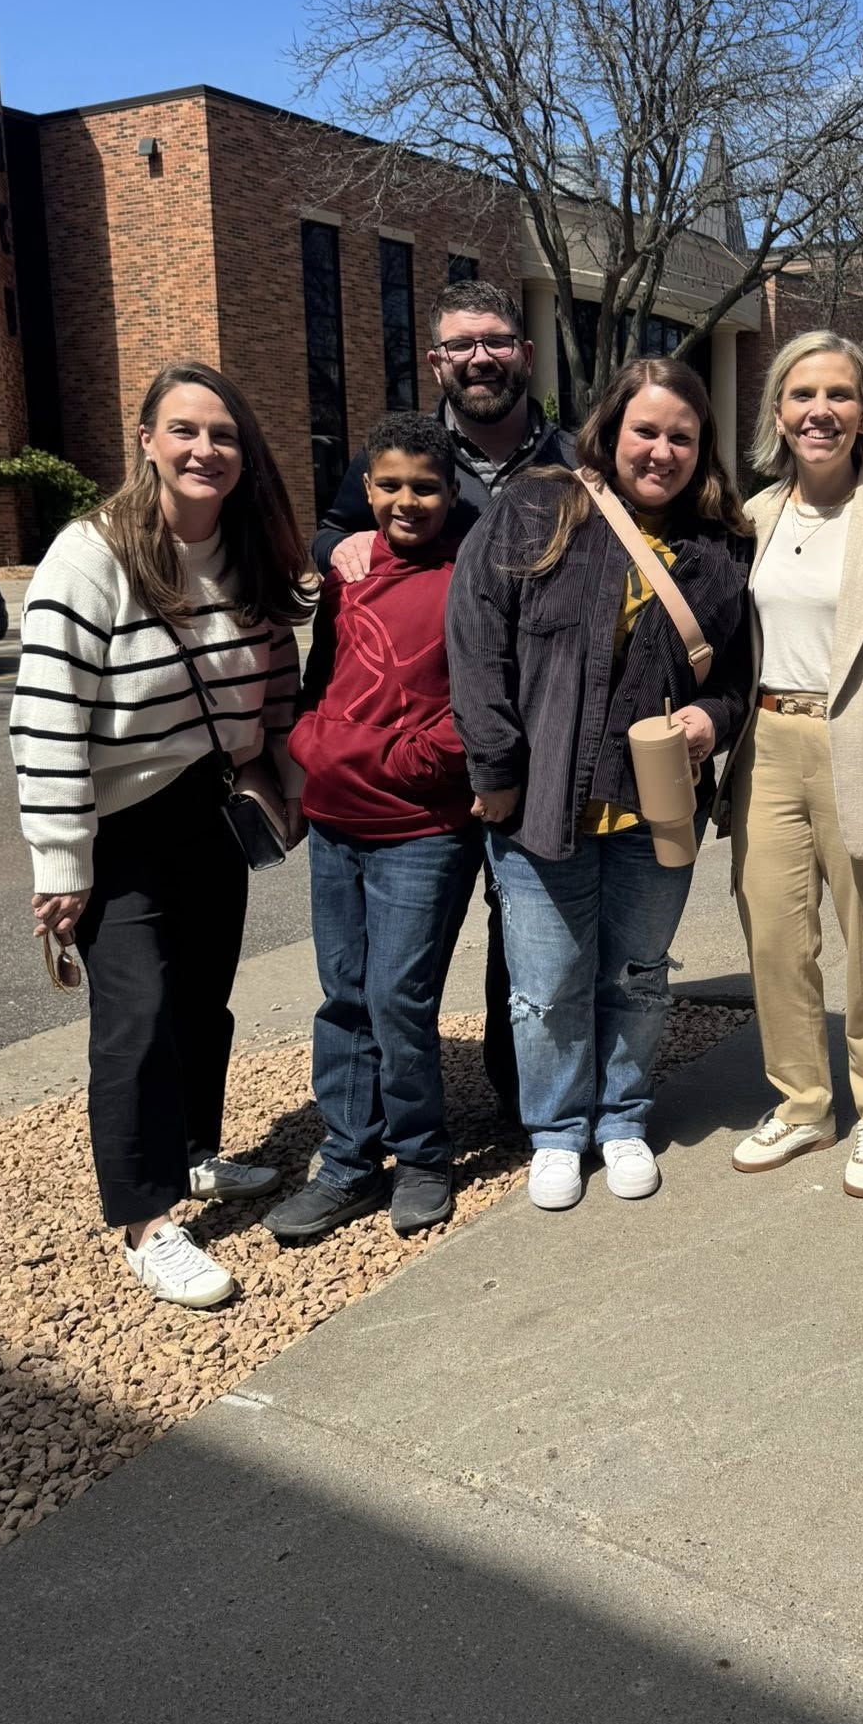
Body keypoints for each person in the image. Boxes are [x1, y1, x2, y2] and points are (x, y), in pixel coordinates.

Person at [11, 362, 312, 1307]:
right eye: (183, 430)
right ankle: (145, 1219)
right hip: (117, 822)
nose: (204, 450)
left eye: (223, 435)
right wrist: (62, 862)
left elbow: (275, 680)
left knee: (200, 1002)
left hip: (208, 807)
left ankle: (190, 1152)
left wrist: (283, 777)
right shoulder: (88, 555)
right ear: (146, 440)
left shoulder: (246, 548)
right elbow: (46, 716)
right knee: (135, 1017)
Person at [446, 357, 751, 1212]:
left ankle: (621, 1118)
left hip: (658, 811)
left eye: (681, 437)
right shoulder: (536, 509)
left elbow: (738, 675)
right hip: (542, 805)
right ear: (611, 430)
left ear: (703, 447)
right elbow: (476, 642)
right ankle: (555, 1130)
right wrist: (495, 768)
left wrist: (713, 719)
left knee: (638, 975)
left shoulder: (721, 546)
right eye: (645, 431)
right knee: (547, 985)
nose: (661, 451)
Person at [313, 280, 577, 1124]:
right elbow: (332, 534)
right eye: (461, 345)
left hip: (538, 747)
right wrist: (342, 544)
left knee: (526, 937)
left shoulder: (574, 460)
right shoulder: (405, 456)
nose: (479, 358)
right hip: (429, 761)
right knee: (392, 971)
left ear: (524, 353)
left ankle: (521, 1096)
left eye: (494, 341)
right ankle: (377, 1130)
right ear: (436, 362)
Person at [716, 332, 863, 1199]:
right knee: (777, 939)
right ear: (778, 413)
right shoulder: (755, 515)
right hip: (769, 745)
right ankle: (803, 1105)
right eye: (802, 395)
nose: (820, 411)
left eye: (840, 395)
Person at [266, 412, 483, 1246]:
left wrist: (409, 760)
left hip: (422, 826)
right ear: (366, 489)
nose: (406, 501)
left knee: (399, 997)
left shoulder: (471, 577)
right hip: (335, 823)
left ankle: (423, 1154)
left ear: (452, 492)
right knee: (345, 995)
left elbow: (487, 704)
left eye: (425, 487)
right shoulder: (349, 573)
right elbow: (322, 675)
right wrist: (310, 743)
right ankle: (348, 1161)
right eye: (389, 485)